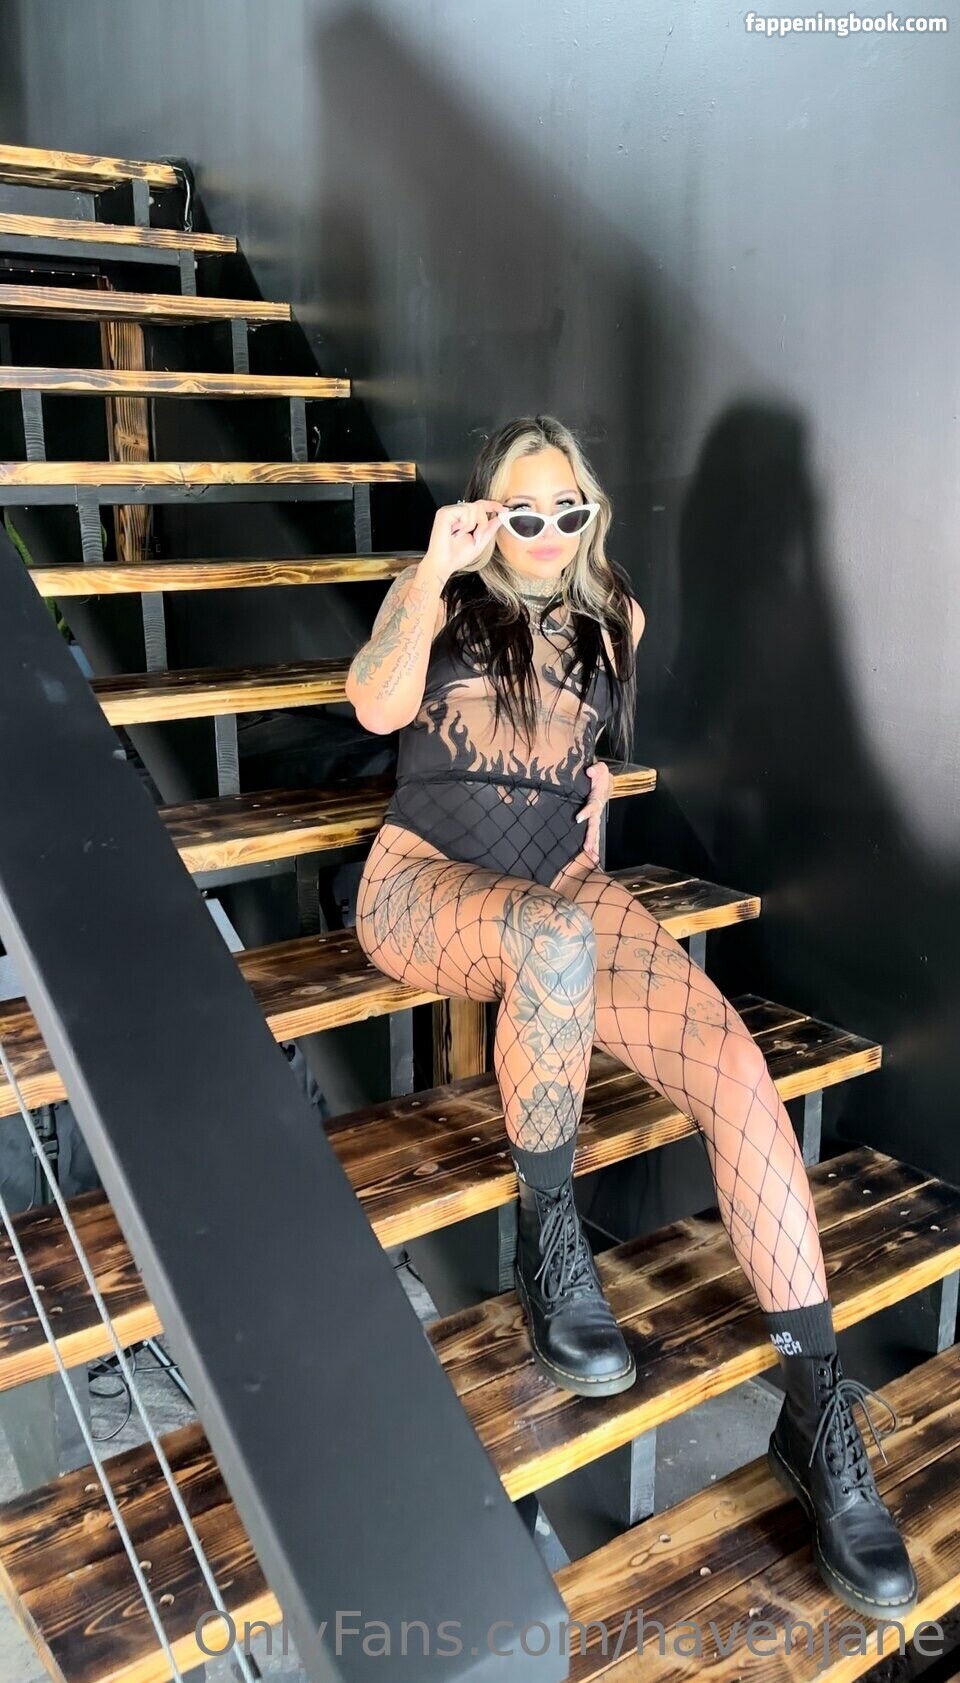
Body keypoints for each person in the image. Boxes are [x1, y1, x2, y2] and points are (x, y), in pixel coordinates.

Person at [345, 414, 916, 1622]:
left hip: (558, 887)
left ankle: (816, 1409)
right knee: (552, 942)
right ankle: (550, 1246)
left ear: (589, 513)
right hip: (424, 884)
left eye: (568, 511)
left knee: (737, 1069)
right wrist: (433, 570)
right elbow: (376, 708)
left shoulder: (617, 617)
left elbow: (581, 761)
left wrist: (593, 808)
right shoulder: (440, 594)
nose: (548, 533)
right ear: (487, 512)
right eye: (523, 512)